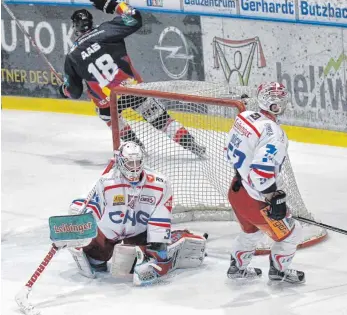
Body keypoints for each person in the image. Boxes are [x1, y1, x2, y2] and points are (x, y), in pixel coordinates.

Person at [58, 0, 205, 157]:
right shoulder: (106, 30)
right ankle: (192, 145)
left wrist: (63, 89)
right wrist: (111, 4)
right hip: (132, 89)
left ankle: (135, 148)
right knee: (161, 120)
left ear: (75, 28)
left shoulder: (72, 56)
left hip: (108, 102)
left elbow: (74, 92)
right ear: (91, 22)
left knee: (106, 114)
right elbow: (134, 17)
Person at [68, 141, 206, 285]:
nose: (134, 168)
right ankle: (99, 252)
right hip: (110, 230)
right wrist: (77, 225)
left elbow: (161, 216)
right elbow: (92, 209)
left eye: (137, 162)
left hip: (138, 232)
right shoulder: (107, 182)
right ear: (121, 162)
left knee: (134, 263)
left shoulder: (160, 184)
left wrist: (158, 246)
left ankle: (178, 238)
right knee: (95, 261)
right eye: (130, 163)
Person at [225, 82, 305, 284]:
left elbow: (228, 149)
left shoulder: (244, 117)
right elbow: (261, 174)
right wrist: (273, 199)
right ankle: (279, 271)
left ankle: (237, 267)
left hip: (236, 191)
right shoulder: (275, 135)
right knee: (292, 235)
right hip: (256, 200)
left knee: (251, 231)